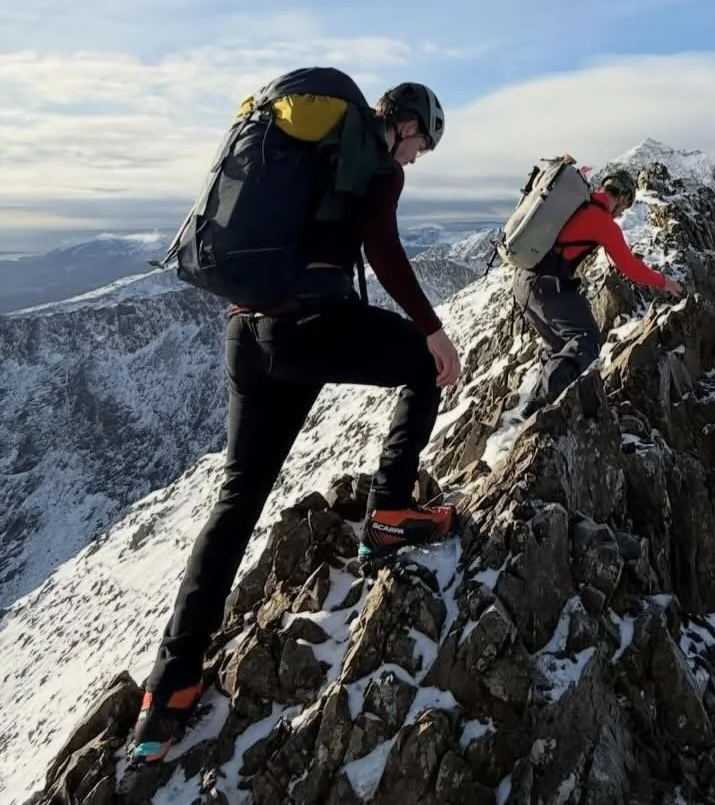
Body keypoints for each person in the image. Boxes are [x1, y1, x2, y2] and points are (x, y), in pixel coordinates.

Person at [128, 82, 461, 766]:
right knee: (425, 370)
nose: (418, 158)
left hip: (245, 334)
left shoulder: (306, 148)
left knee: (236, 499)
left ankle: (169, 693)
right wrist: (433, 332)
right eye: (421, 142)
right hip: (309, 329)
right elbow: (386, 250)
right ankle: (390, 513)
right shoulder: (376, 163)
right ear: (401, 125)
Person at [515, 166, 683, 415]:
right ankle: (541, 408)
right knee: (586, 339)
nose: (621, 214)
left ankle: (538, 407)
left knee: (559, 345)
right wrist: (666, 283)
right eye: (624, 208)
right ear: (623, 197)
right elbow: (630, 267)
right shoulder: (602, 221)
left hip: (523, 281)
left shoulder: (577, 204)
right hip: (547, 286)